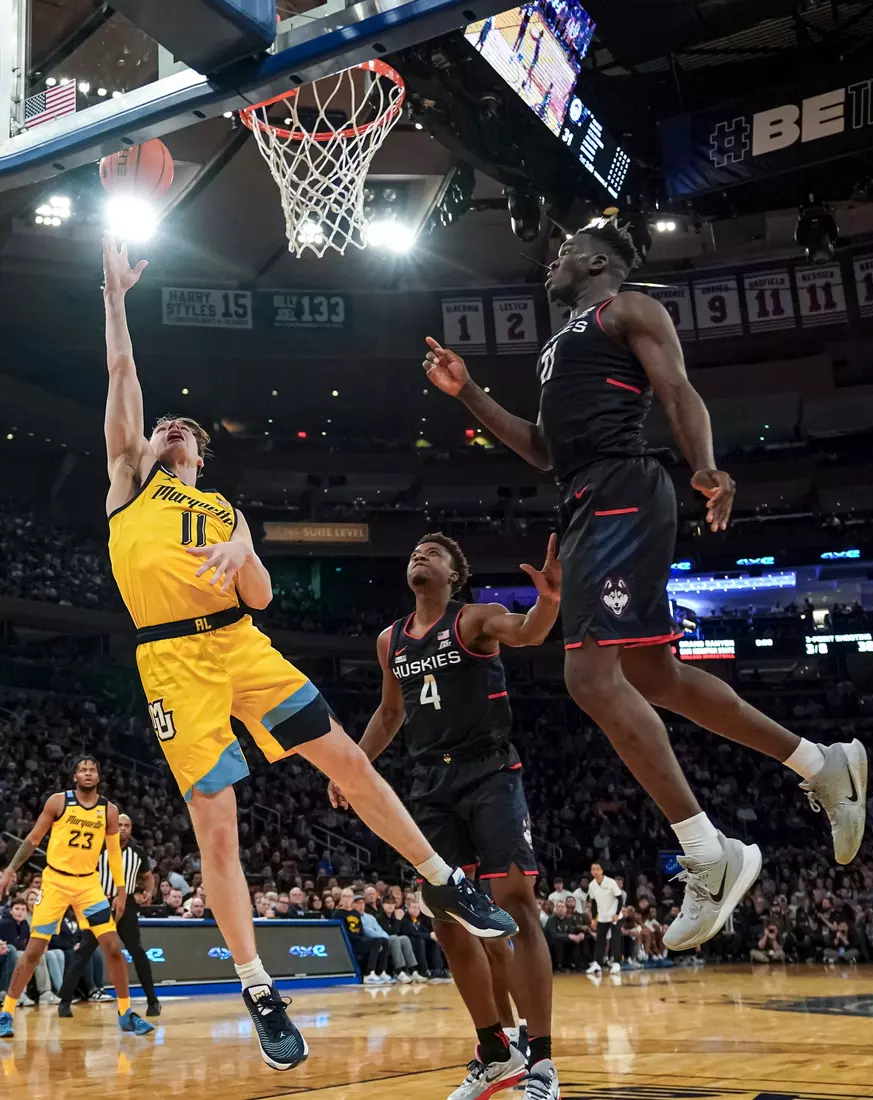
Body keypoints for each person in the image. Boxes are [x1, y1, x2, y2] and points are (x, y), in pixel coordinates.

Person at [99, 236, 516, 1069]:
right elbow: (122, 380)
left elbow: (259, 600)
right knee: (218, 834)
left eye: (183, 427)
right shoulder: (127, 483)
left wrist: (243, 554)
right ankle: (257, 987)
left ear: (201, 455)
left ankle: (443, 879)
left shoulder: (222, 512)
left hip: (241, 646)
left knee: (348, 762)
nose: (168, 425)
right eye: (162, 425)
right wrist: (113, 297)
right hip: (171, 664)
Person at [421, 216, 868, 951]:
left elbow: (676, 389)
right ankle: (820, 764)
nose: (550, 264)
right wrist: (468, 392)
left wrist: (704, 463)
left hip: (621, 488)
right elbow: (539, 450)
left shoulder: (627, 308)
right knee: (651, 673)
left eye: (563, 252)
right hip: (583, 494)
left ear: (596, 261)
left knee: (589, 678)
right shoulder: (557, 345)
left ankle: (708, 852)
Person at [329, 531, 560, 1100]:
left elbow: (528, 633)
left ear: (455, 574)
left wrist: (549, 602)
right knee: (444, 916)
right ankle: (494, 1052)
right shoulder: (390, 641)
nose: (418, 555)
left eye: (433, 553)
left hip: (489, 771)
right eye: (414, 551)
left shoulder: (477, 618)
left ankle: (543, 1061)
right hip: (430, 783)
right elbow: (389, 713)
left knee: (514, 901)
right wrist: (350, 767)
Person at [0, 756, 153, 1038]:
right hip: (56, 882)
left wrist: (121, 890)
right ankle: (6, 1012)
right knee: (33, 951)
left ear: (98, 776)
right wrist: (10, 869)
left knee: (114, 949)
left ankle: (125, 1013)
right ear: (74, 777)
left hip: (88, 886)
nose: (87, 773)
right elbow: (33, 839)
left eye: (92, 769)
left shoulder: (109, 811)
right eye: (82, 769)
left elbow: (114, 853)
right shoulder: (58, 802)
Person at [57, 813, 161, 1018]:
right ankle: (65, 1001)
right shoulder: (97, 847)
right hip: (98, 902)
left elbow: (148, 877)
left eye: (126, 825)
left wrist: (149, 892)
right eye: (119, 824)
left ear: (131, 829)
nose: (122, 828)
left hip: (128, 904)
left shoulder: (138, 852)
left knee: (137, 951)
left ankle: (153, 1001)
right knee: (84, 950)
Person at [587, 862, 622, 975]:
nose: (595, 871)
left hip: (614, 916)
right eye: (593, 869)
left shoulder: (611, 882)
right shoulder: (592, 885)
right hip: (602, 916)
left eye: (597, 869)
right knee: (600, 941)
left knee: (615, 939)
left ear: (602, 870)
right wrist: (593, 918)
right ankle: (597, 963)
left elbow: (620, 899)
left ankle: (616, 963)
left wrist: (617, 913)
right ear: (591, 872)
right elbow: (593, 903)